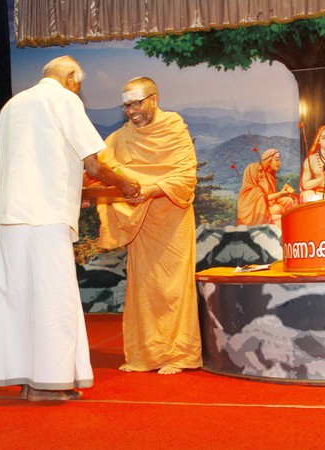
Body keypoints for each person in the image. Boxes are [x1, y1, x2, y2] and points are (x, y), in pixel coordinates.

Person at [0, 56, 140, 401]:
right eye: (79, 84)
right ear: (72, 78)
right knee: (53, 298)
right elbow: (93, 164)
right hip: (46, 216)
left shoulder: (12, 105)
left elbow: (37, 162)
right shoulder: (64, 99)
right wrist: (126, 184)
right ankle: (47, 384)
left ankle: (27, 380)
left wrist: (74, 192)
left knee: (20, 299)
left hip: (10, 216)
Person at [95, 76, 202, 375]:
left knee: (173, 288)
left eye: (137, 104)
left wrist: (150, 190)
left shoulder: (174, 129)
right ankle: (147, 354)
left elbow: (186, 177)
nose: (131, 112)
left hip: (172, 217)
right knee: (144, 288)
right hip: (140, 220)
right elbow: (99, 169)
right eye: (126, 106)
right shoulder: (120, 138)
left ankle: (179, 354)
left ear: (154, 100)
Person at [236, 160, 272, 226]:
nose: (262, 174)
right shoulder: (257, 191)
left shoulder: (242, 193)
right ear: (252, 174)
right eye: (260, 171)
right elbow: (263, 218)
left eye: (262, 171)